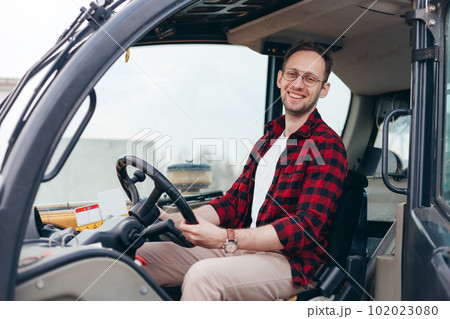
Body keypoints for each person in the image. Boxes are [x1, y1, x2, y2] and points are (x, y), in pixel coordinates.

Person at [137, 40, 348, 301]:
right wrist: (174, 220)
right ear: (281, 79)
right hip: (243, 249)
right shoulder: (270, 138)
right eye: (293, 74)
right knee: (136, 256)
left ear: (324, 89)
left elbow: (305, 226)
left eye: (310, 78)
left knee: (204, 277)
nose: (298, 84)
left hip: (290, 263)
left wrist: (226, 238)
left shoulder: (327, 146)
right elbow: (233, 203)